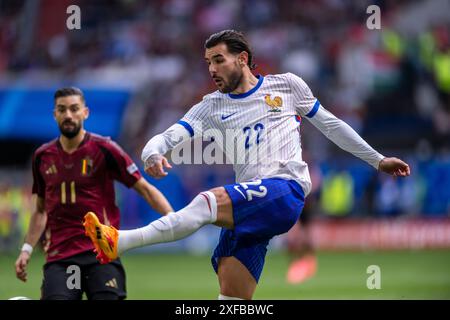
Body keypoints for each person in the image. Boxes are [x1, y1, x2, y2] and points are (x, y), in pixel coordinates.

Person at [83, 30, 410, 300]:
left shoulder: (286, 86)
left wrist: (377, 159)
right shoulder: (210, 106)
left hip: (285, 190)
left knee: (205, 202)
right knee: (232, 300)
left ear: (242, 58)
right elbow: (166, 137)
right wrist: (152, 154)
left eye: (219, 60)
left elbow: (331, 125)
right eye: (208, 62)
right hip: (251, 207)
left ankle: (120, 242)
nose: (211, 69)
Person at [14, 87, 173, 300]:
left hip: (102, 254)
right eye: (62, 109)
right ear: (55, 115)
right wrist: (26, 249)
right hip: (61, 258)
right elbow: (40, 211)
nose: (68, 115)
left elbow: (144, 189)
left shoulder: (105, 149)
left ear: (85, 112)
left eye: (74, 108)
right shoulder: (42, 157)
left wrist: (174, 220)